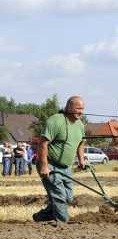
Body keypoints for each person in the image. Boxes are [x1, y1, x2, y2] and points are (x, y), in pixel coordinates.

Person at [33, 96, 86, 224]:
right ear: (69, 107)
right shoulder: (55, 121)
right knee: (59, 196)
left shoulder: (80, 125)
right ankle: (63, 224)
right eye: (78, 108)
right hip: (50, 164)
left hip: (66, 167)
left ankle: (41, 217)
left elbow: (81, 143)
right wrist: (44, 166)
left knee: (67, 197)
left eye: (83, 109)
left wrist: (81, 160)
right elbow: (43, 143)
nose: (81, 112)